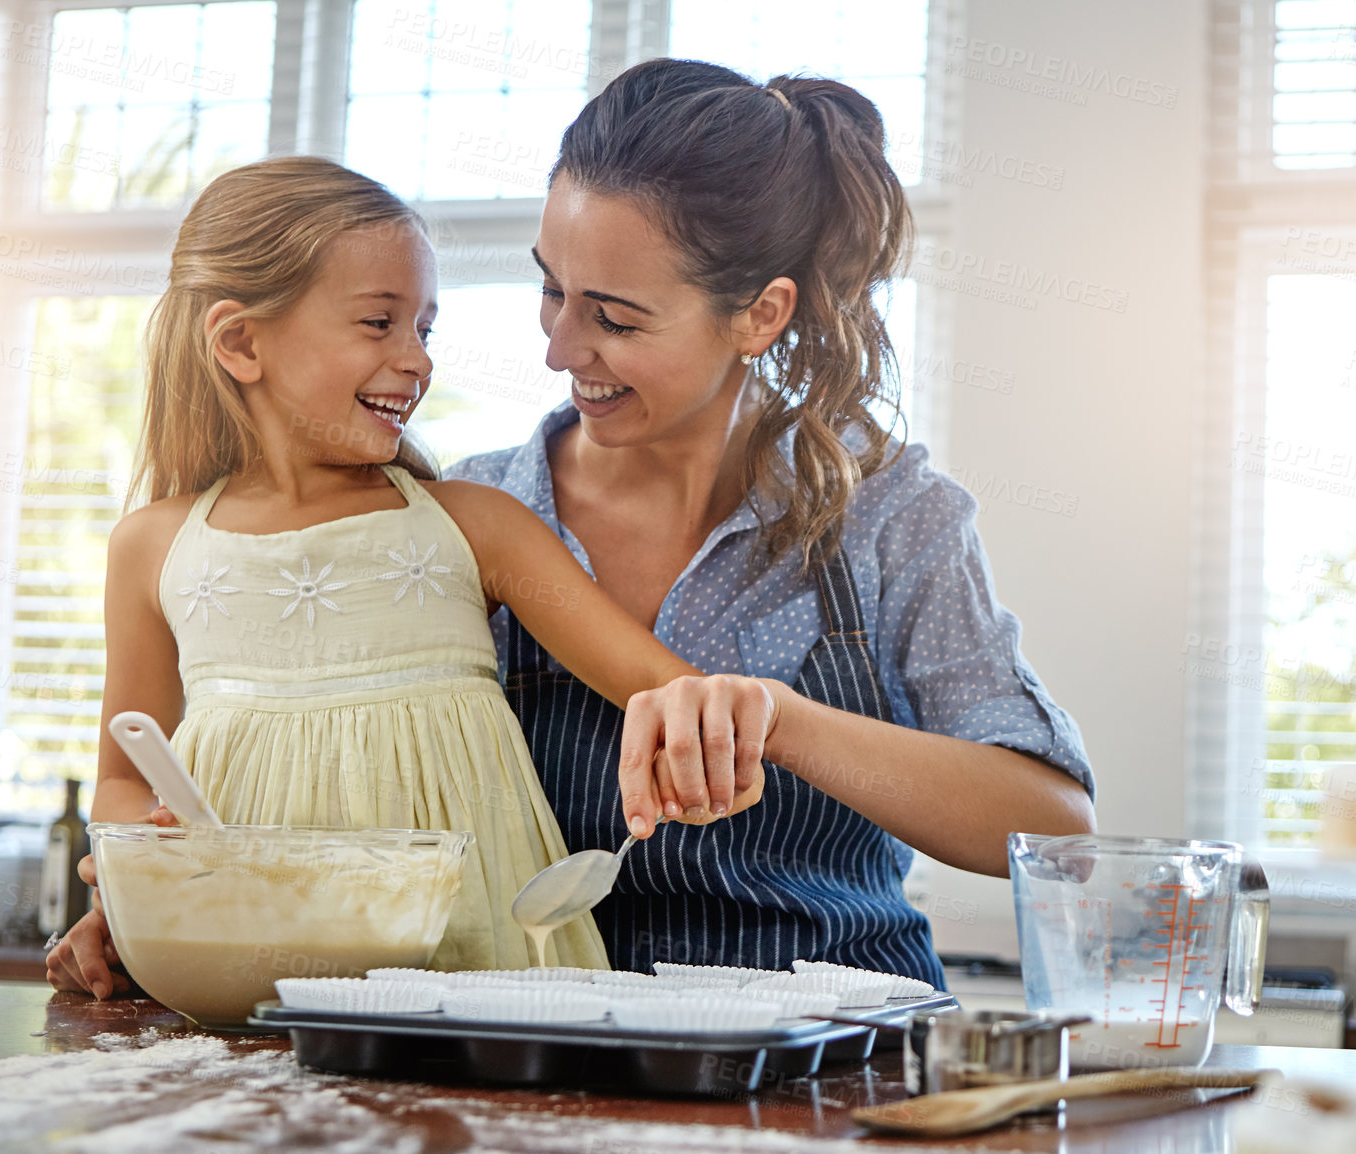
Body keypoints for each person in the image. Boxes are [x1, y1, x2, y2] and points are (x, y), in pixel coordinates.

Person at [44, 156, 770, 999]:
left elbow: (669, 689)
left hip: (477, 962)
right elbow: (126, 777)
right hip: (240, 964)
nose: (416, 361)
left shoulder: (474, 526)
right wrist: (145, 864)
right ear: (241, 342)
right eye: (378, 323)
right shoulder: (151, 547)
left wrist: (703, 734)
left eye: (422, 330)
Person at [447, 59, 1097, 988]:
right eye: (552, 289)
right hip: (543, 1058)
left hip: (836, 1070)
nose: (558, 349)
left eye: (617, 320)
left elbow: (1054, 828)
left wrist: (783, 723)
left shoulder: (889, 514)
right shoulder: (476, 512)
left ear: (760, 314)